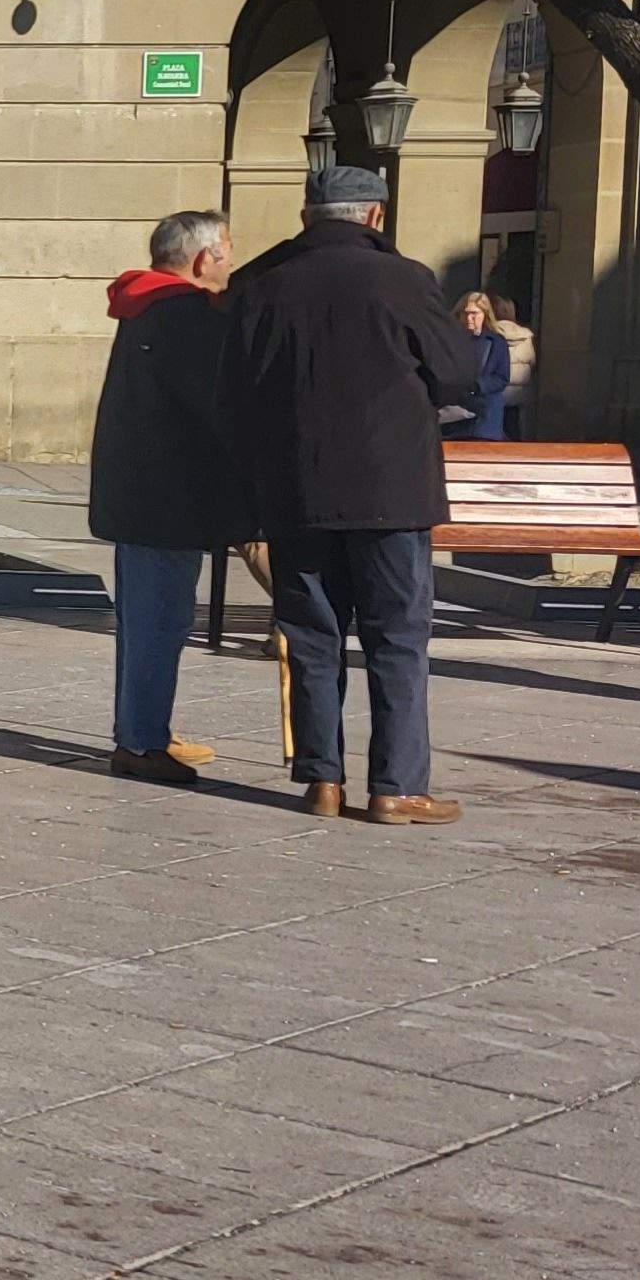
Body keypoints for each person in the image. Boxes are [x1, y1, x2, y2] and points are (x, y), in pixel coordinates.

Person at [224, 164, 478, 826]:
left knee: (313, 636)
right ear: (375, 215)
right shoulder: (403, 279)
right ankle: (396, 786)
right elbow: (458, 372)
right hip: (391, 489)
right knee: (398, 637)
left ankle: (321, 781)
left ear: (306, 216)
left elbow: (232, 395)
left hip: (295, 489)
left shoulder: (260, 284)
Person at [89, 210, 249, 787]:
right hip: (169, 495)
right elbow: (217, 404)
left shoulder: (144, 304)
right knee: (160, 621)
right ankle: (142, 741)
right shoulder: (186, 313)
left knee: (143, 620)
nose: (230, 261)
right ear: (204, 258)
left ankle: (142, 725)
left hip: (139, 492)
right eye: (227, 250)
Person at [446, 292, 513, 441]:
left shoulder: (496, 342)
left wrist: (477, 385)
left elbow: (502, 378)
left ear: (485, 315)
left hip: (484, 420)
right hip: (453, 419)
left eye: (474, 313)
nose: (469, 318)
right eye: (465, 313)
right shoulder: (451, 341)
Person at [490, 294, 536, 436]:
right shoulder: (525, 336)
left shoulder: (490, 333)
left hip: (495, 394)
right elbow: (532, 362)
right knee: (514, 431)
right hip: (518, 395)